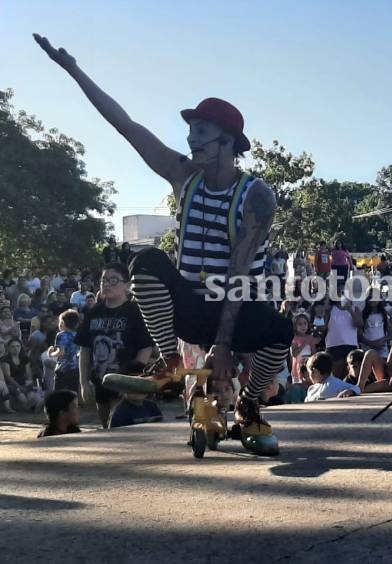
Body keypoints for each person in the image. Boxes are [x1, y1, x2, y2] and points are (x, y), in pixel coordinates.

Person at [35, 35, 293, 451]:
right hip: (190, 304)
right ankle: (169, 359)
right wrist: (74, 71)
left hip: (240, 303)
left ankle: (247, 405)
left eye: (201, 133)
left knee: (280, 330)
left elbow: (239, 274)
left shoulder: (256, 196)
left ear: (227, 141)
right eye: (190, 132)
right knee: (149, 261)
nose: (191, 141)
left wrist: (223, 347)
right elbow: (127, 127)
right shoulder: (182, 176)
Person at [75, 263, 155, 428]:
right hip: (101, 382)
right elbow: (85, 349)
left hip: (126, 383)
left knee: (122, 425)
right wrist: (83, 383)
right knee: (107, 427)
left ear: (127, 285)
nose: (107, 284)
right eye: (104, 280)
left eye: (113, 280)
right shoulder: (93, 312)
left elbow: (146, 347)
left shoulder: (136, 312)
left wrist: (133, 382)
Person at [48, 309, 80, 392]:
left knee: (58, 394)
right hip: (76, 369)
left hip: (63, 369)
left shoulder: (61, 335)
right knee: (73, 393)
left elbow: (61, 352)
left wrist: (51, 353)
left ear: (62, 323)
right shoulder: (77, 335)